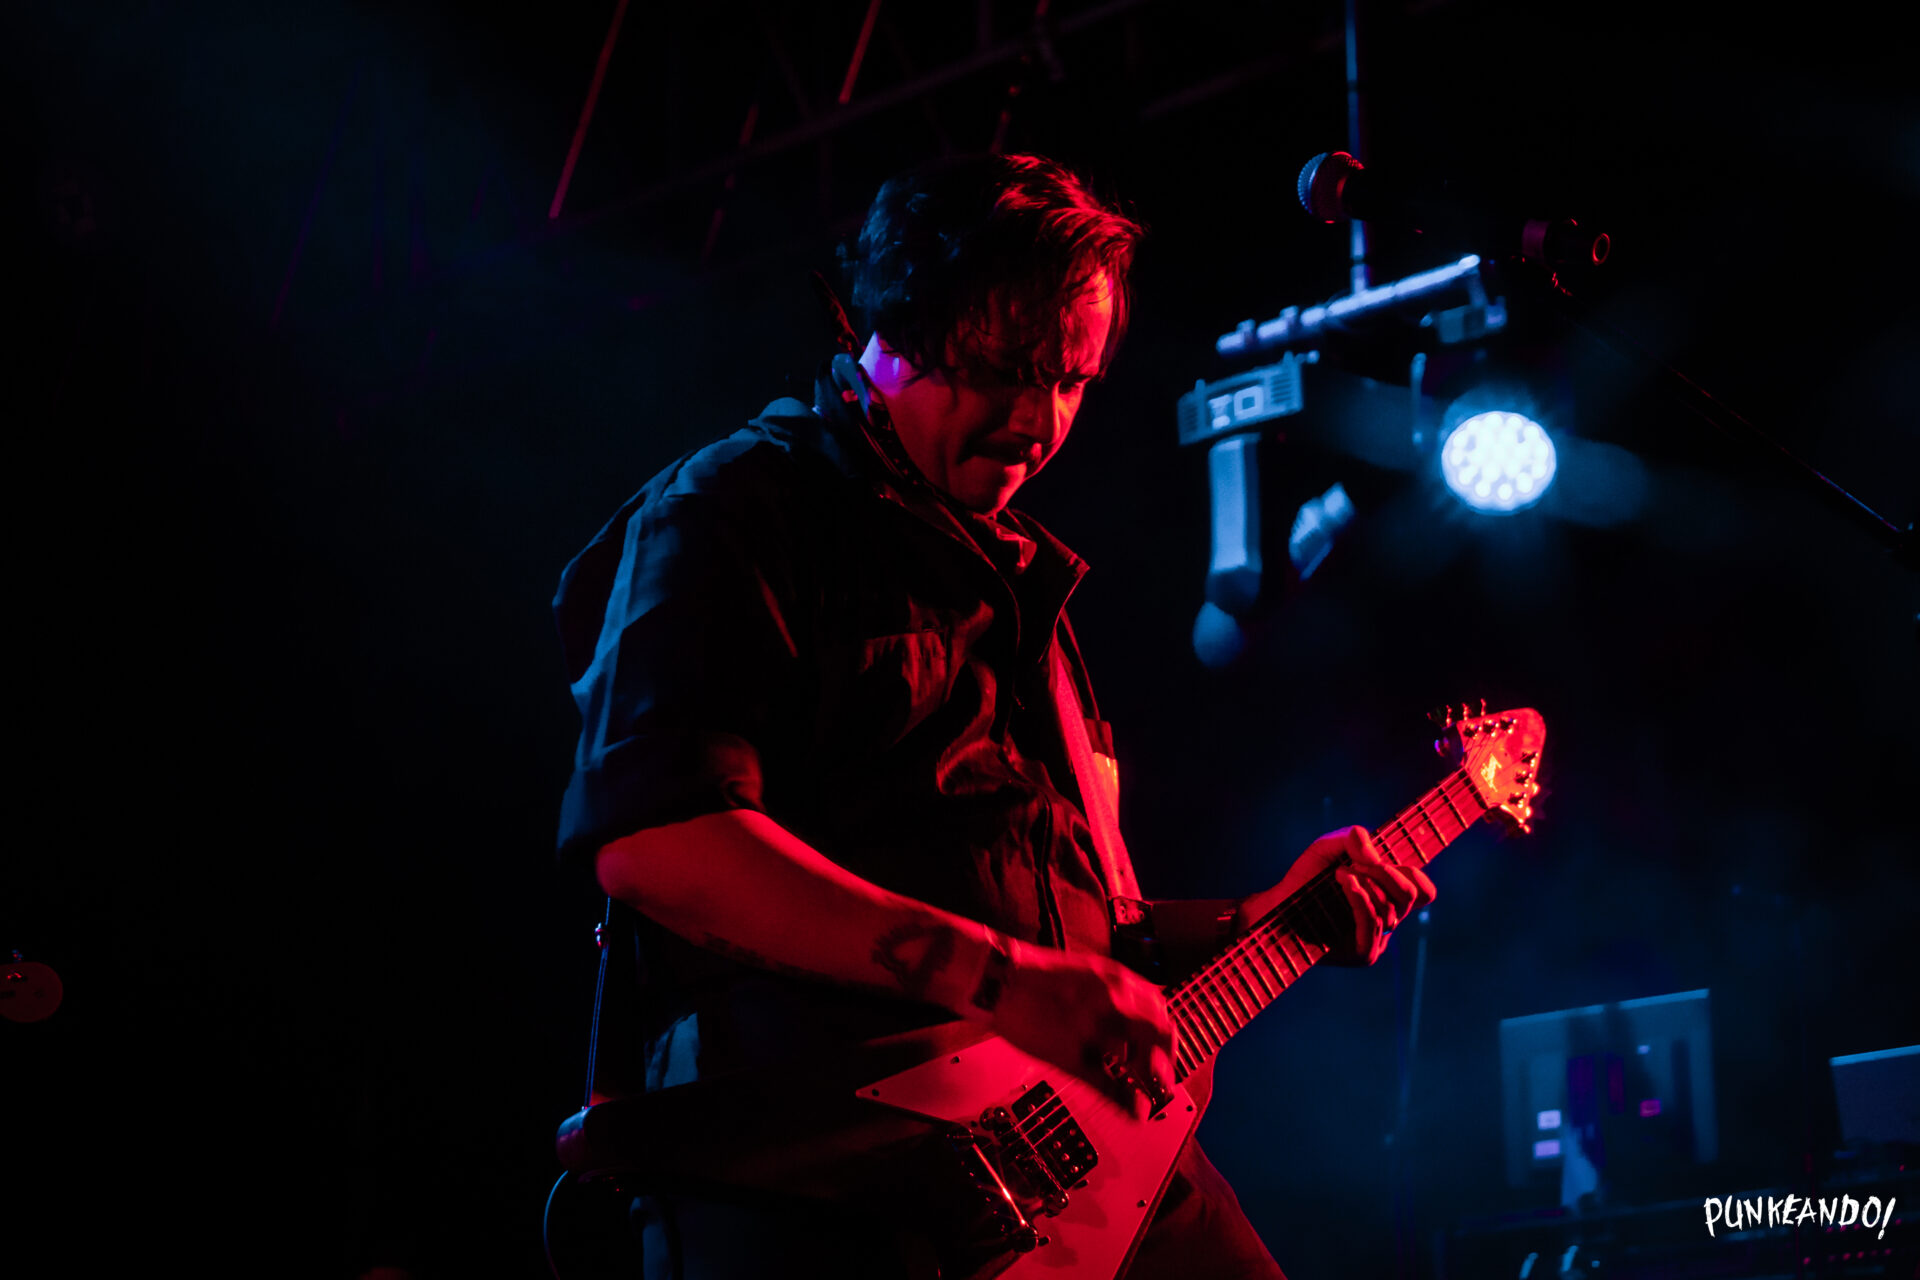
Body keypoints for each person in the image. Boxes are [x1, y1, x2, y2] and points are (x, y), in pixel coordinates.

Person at [553, 153, 1436, 1279]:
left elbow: (1078, 931)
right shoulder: (737, 509)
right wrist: (1001, 981)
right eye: (1006, 371)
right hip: (831, 1181)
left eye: (1070, 380)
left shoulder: (1026, 596)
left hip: (1072, 1170)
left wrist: (1256, 919)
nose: (1038, 421)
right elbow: (659, 844)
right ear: (899, 326)